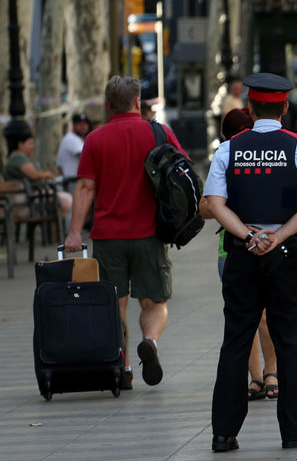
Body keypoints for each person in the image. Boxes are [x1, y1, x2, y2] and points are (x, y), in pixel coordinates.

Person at [204, 73, 297, 451]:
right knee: (289, 342)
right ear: (285, 108)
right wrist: (279, 236)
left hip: (243, 255)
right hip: (286, 256)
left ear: (250, 108)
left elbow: (214, 204)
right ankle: (292, 429)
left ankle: (224, 432)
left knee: (236, 340)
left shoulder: (228, 149)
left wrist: (247, 236)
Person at [64, 76, 186, 390]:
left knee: (114, 306)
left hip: (107, 237)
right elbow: (183, 171)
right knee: (154, 303)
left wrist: (75, 233)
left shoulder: (95, 139)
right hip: (150, 235)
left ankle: (124, 368)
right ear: (136, 101)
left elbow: (86, 187)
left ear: (108, 106)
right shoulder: (158, 132)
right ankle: (150, 342)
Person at [200, 108, 280, 403]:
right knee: (244, 316)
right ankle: (256, 378)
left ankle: (271, 372)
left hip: (268, 244)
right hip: (231, 251)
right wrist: (226, 202)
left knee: (263, 315)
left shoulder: (269, 159)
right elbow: (206, 207)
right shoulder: (225, 156)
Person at [5, 126, 72, 218]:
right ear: (20, 144)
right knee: (66, 200)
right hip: (27, 198)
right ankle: (60, 230)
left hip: (33, 195)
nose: (32, 147)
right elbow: (34, 175)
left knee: (62, 201)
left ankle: (56, 230)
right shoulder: (17, 158)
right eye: (30, 143)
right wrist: (48, 174)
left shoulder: (24, 157)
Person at [56, 113, 90, 181]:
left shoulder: (77, 139)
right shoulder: (71, 138)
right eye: (80, 124)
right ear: (74, 125)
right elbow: (86, 157)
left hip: (72, 180)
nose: (83, 126)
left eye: (85, 124)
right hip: (70, 181)